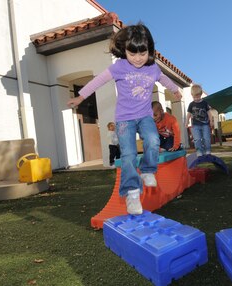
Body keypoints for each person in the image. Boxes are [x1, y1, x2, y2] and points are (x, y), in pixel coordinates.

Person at [67, 24, 182, 215]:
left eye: (142, 54)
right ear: (125, 50)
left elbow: (164, 80)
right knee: (128, 155)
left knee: (153, 140)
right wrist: (81, 96)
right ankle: (132, 194)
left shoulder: (153, 68)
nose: (137, 58)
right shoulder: (119, 66)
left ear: (149, 50)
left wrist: (176, 90)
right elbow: (98, 80)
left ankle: (147, 170)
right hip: (124, 120)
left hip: (145, 116)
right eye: (132, 53)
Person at [185, 84, 214, 156]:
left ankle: (207, 150)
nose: (197, 98)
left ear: (201, 94)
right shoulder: (191, 104)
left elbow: (209, 113)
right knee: (197, 139)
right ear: (192, 95)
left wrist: (211, 121)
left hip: (205, 124)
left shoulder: (204, 103)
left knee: (206, 138)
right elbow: (188, 114)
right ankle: (199, 151)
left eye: (198, 96)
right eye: (195, 97)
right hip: (195, 126)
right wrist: (186, 121)